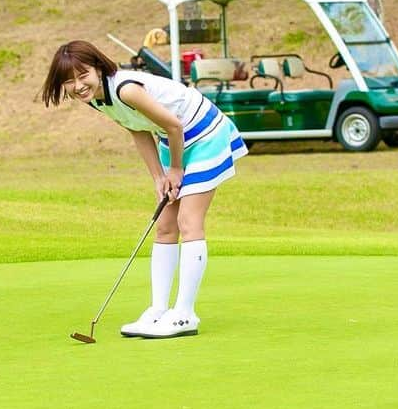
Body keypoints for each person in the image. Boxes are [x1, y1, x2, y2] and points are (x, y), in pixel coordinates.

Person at [40, 40, 247, 339]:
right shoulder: (98, 98)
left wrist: (175, 170)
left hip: (203, 134)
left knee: (188, 221)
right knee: (164, 226)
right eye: (68, 82)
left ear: (98, 67)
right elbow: (136, 127)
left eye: (82, 75)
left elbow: (175, 125)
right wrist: (158, 177)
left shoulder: (126, 89)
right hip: (172, 139)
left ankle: (184, 314)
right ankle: (158, 310)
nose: (78, 86)